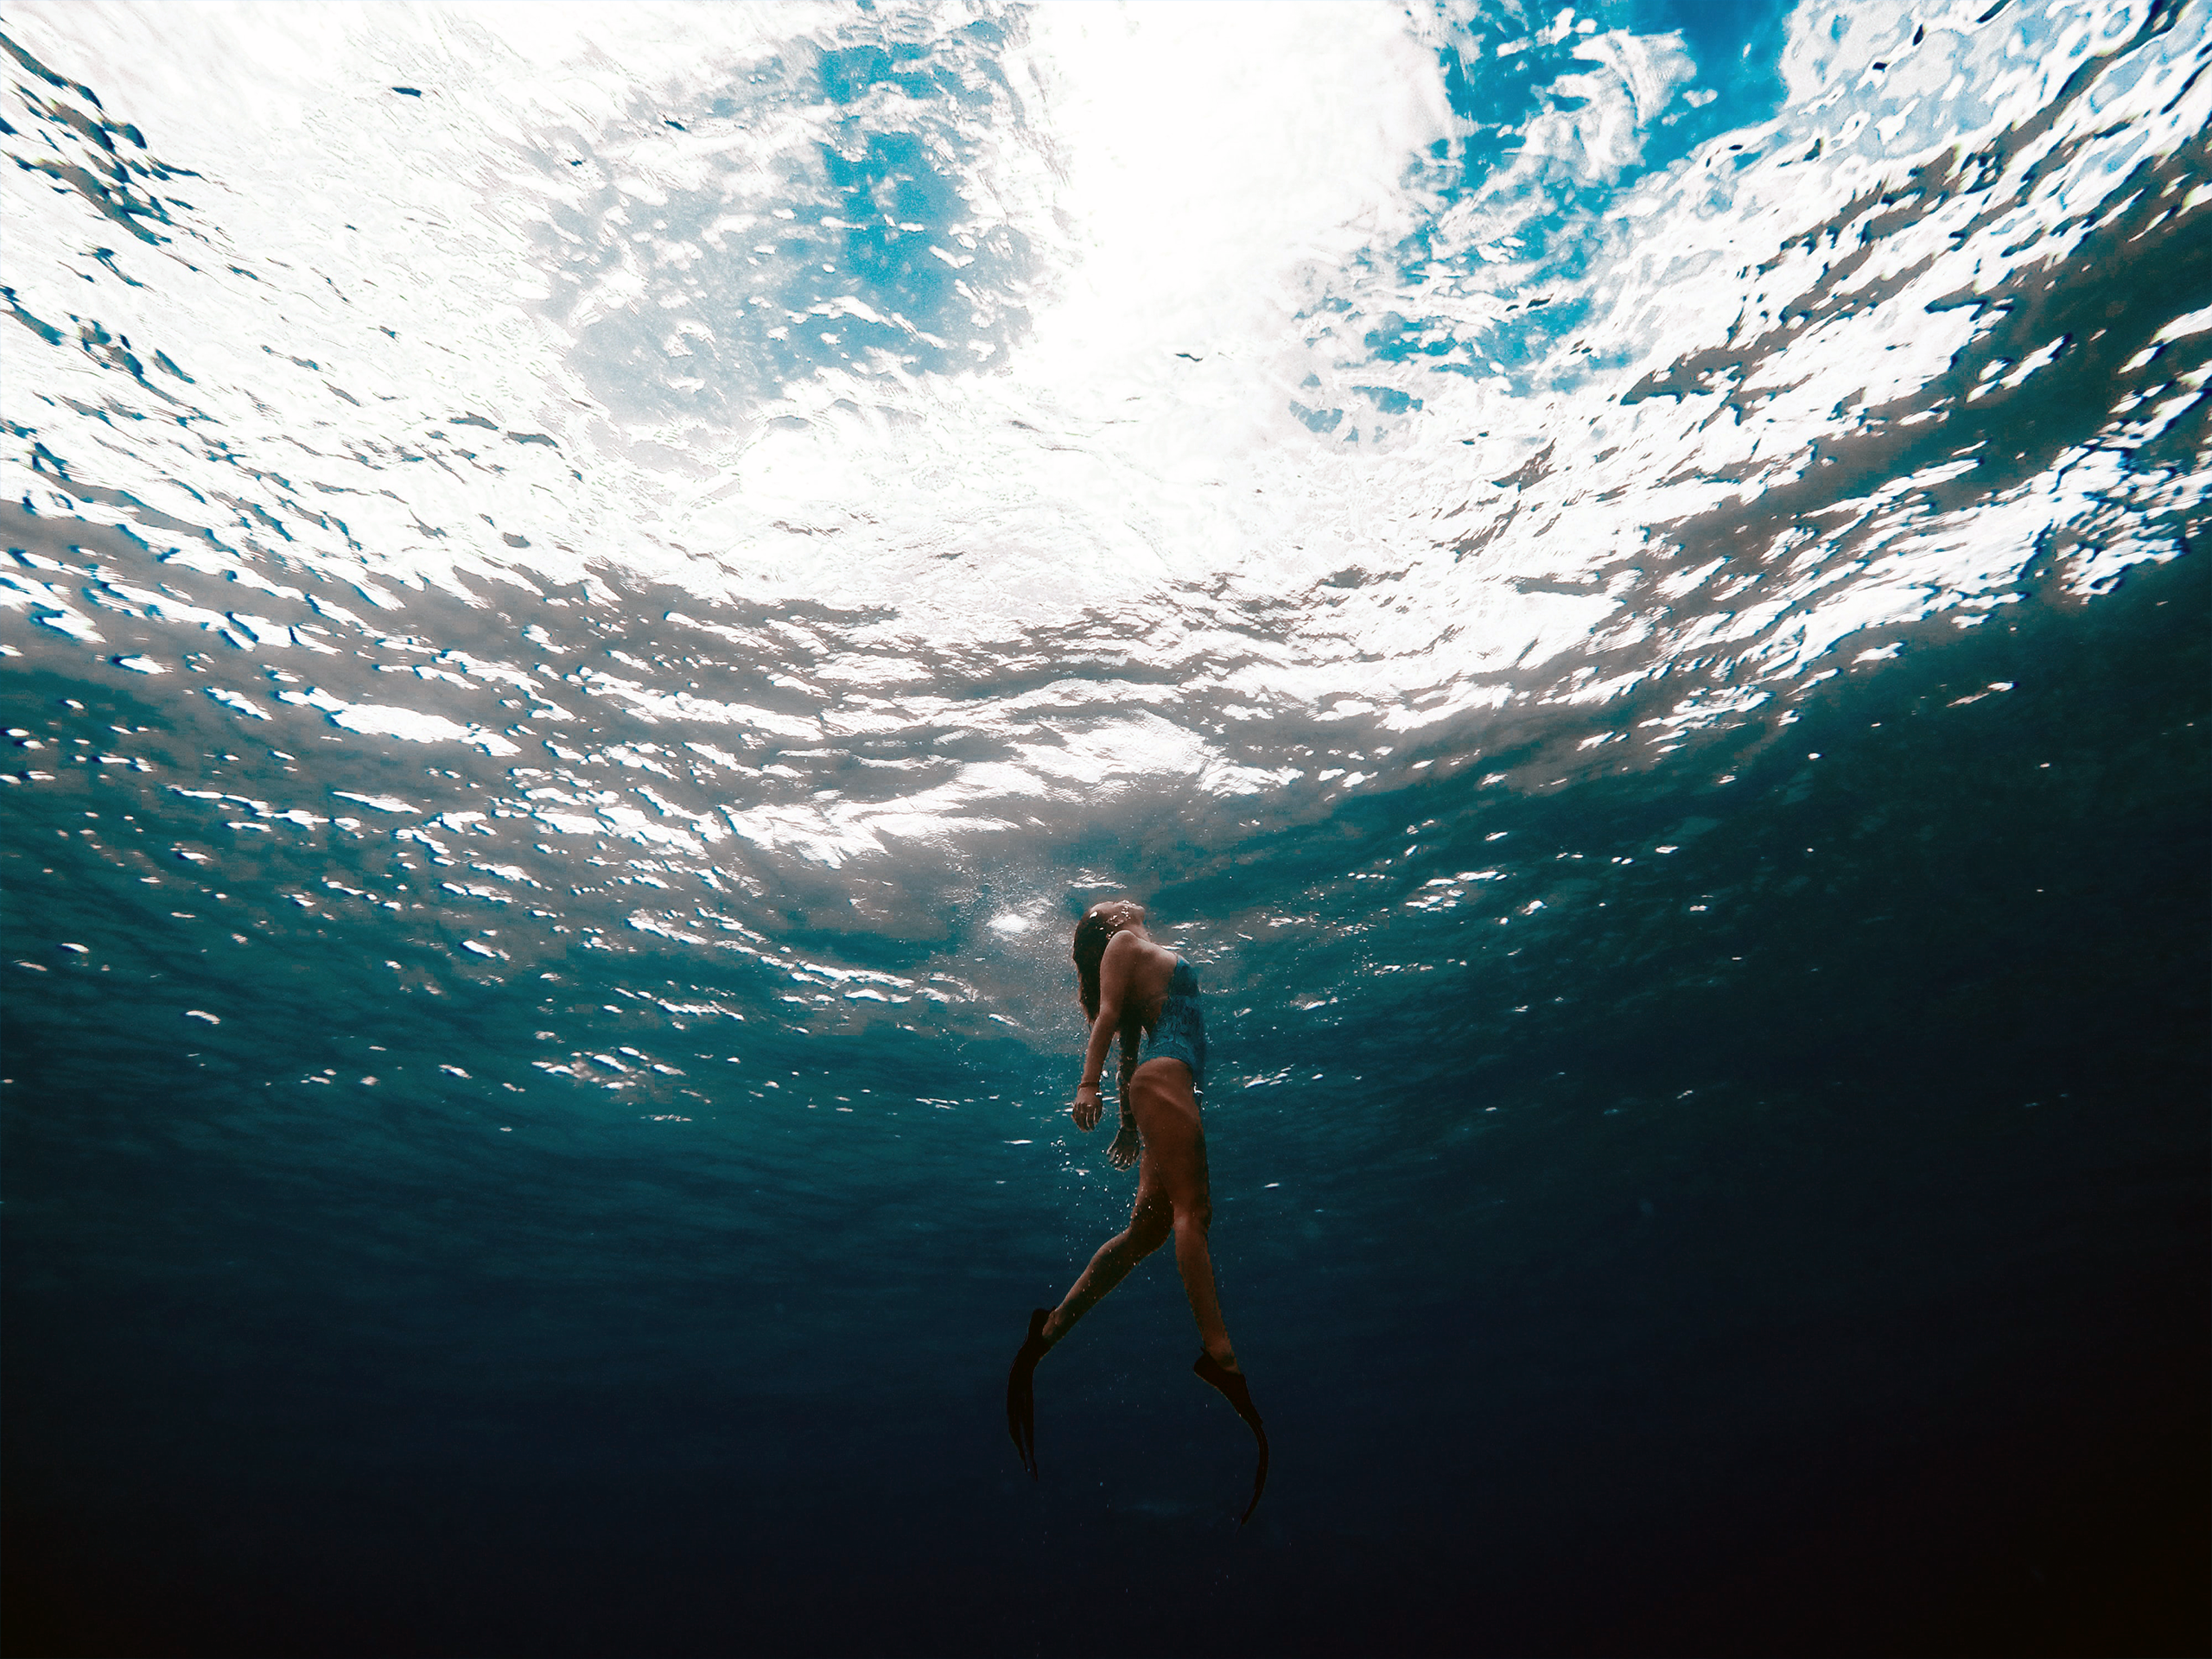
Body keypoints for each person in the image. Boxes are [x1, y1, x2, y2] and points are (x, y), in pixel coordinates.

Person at [1005, 898, 1268, 1524]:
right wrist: (1086, 1084)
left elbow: (1128, 1048)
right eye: (1108, 906)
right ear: (1108, 926)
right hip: (1168, 1080)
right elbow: (1110, 1024)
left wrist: (1128, 1122)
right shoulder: (1124, 941)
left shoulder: (1132, 952)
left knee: (1146, 1231)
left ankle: (1045, 1334)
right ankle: (1220, 1355)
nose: (1120, 899)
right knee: (1193, 1216)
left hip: (1158, 1084)